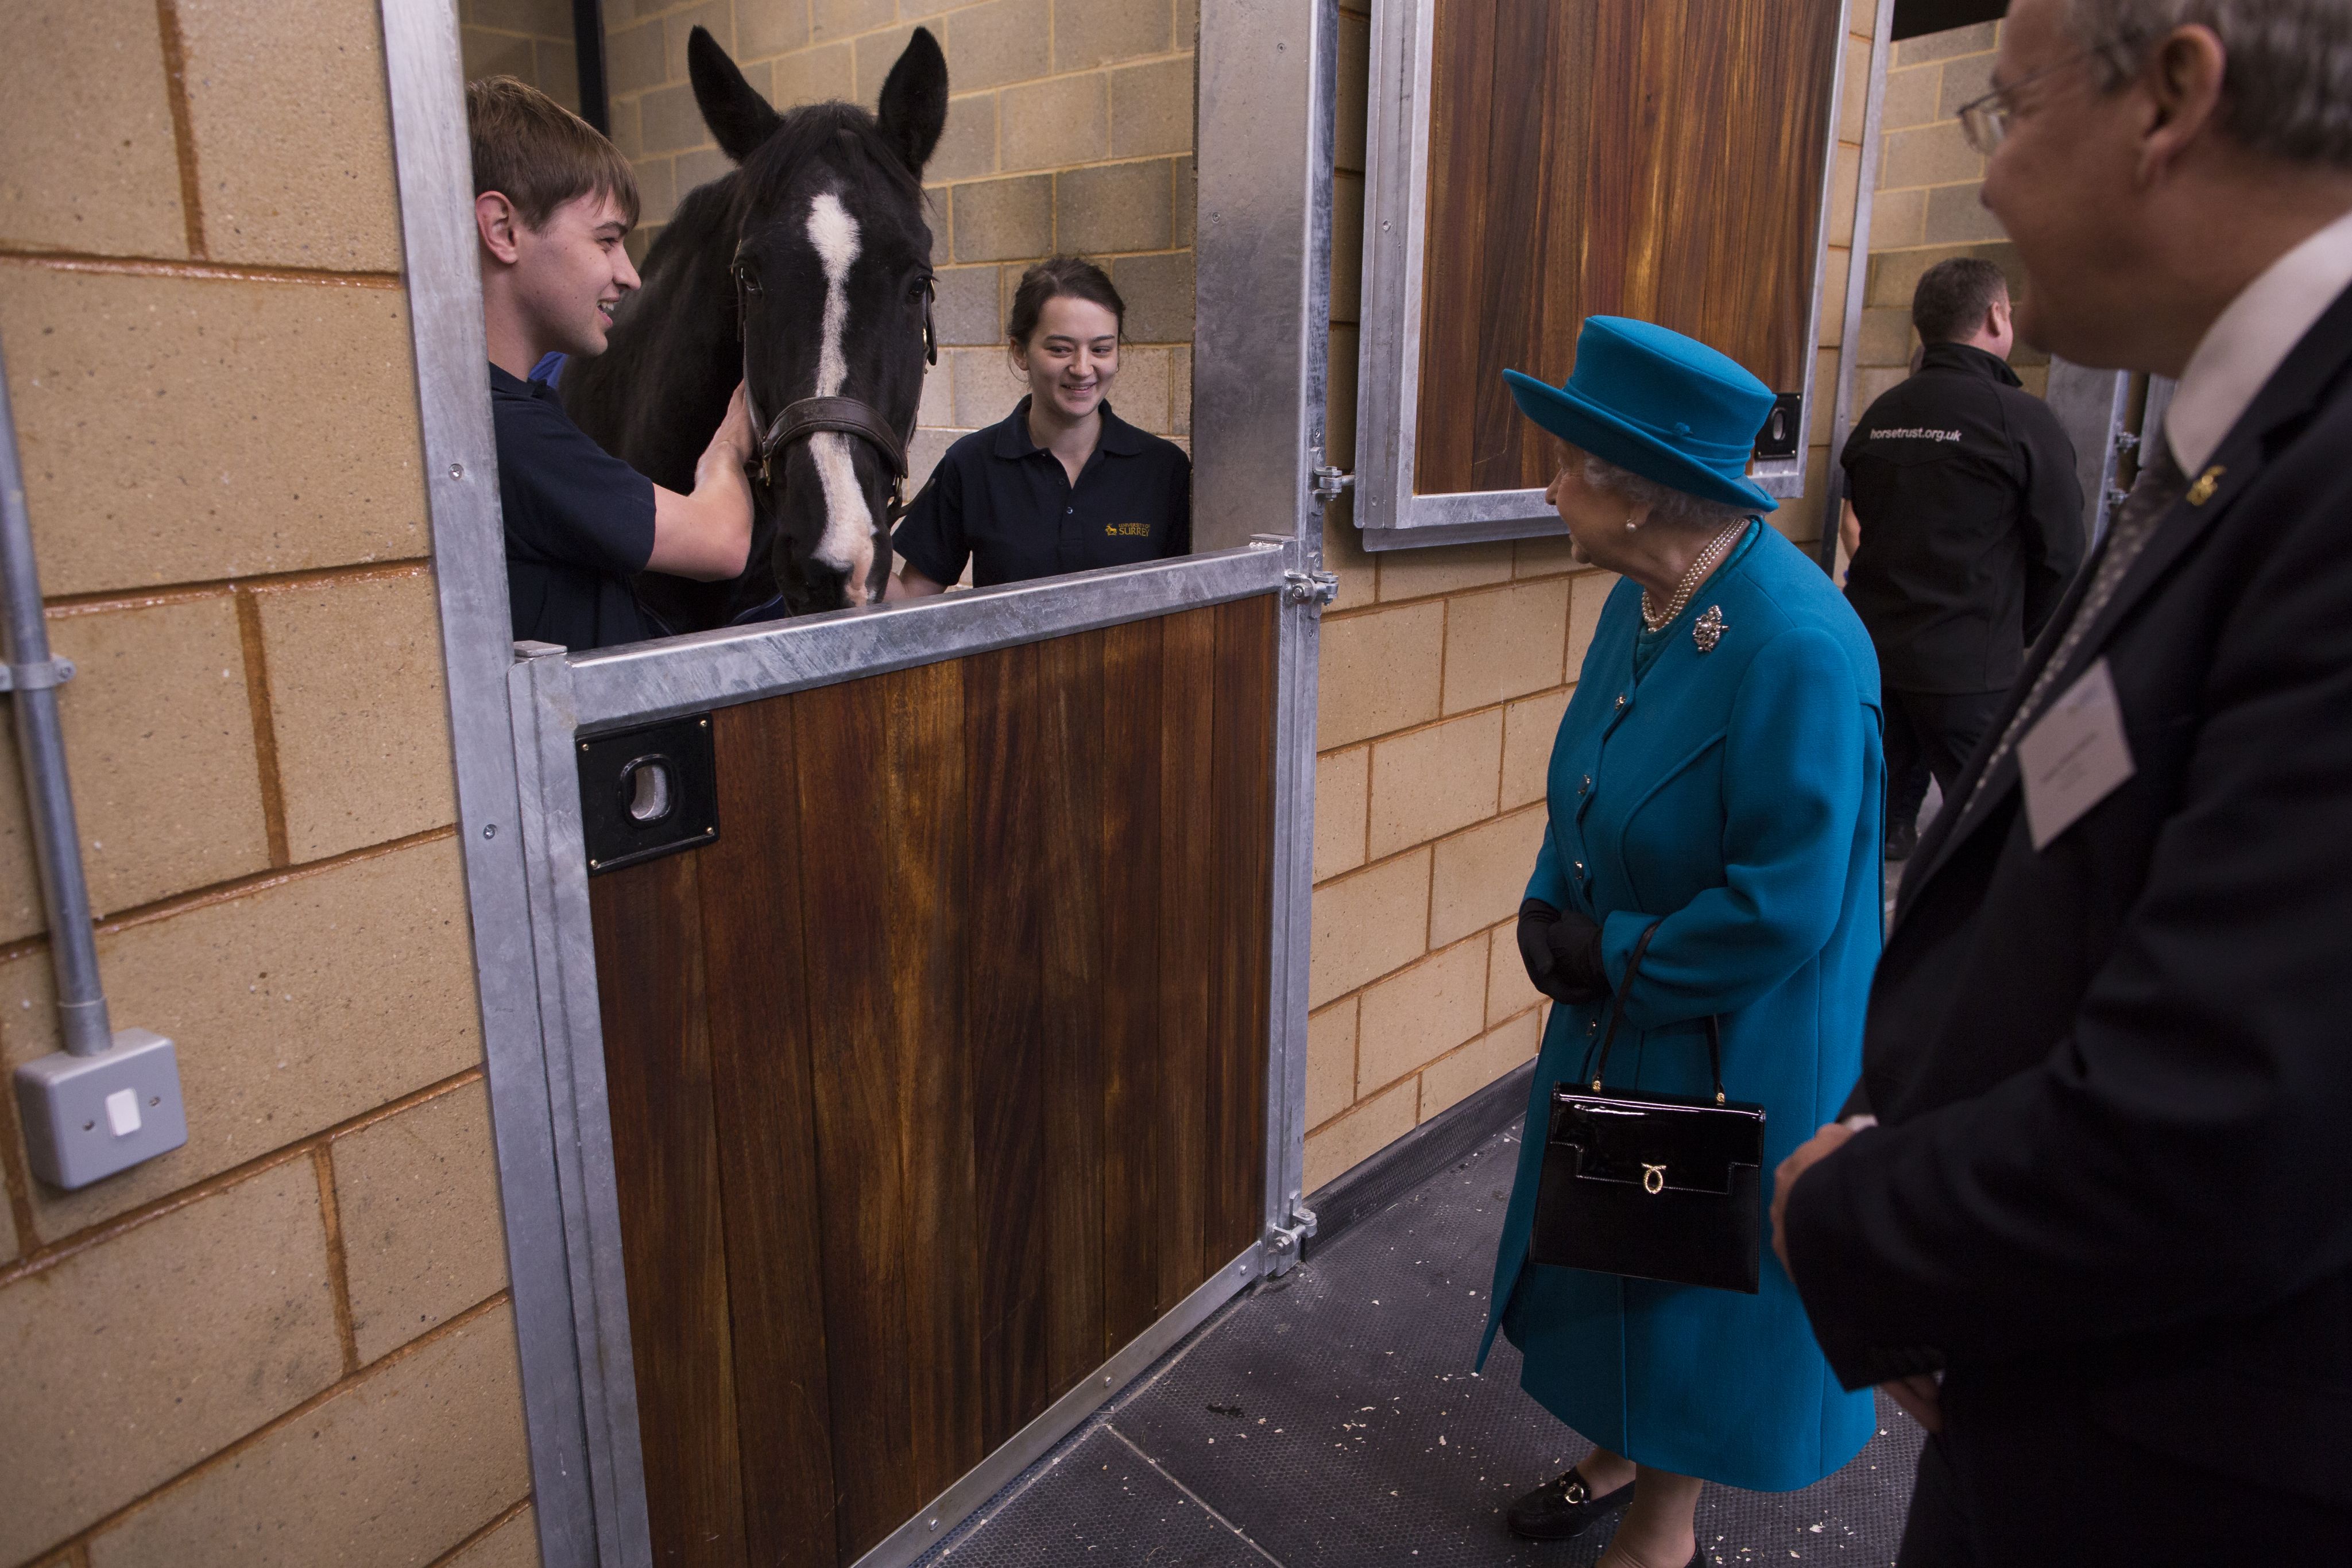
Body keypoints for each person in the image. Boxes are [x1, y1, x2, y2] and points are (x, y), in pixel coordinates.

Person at [1772, 1, 2352, 1562]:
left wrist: (1857, 1214)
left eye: (2004, 114)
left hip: (2183, 1471)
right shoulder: (2235, 451)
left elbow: (2227, 1118)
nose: (1990, 185)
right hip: (2065, 1371)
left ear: (2173, 96)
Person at [1484, 316, 1883, 1568]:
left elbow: (1786, 904)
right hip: (1628, 995)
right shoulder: (1652, 590)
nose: (1546, 487)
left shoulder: (1798, 644)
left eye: (1565, 465)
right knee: (1610, 1250)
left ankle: (1661, 1528)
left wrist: (1617, 953)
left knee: (1679, 1285)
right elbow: (1590, 775)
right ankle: (1617, 1451)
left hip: (1730, 1026)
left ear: (1636, 495)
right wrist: (1554, 904)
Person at [469, 76, 755, 649]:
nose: (628, 274)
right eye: (605, 241)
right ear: (503, 230)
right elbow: (722, 543)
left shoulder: (510, 411)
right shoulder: (508, 435)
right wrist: (731, 443)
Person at [1840, 257, 2084, 859]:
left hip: (1876, 657)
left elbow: (1863, 521)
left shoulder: (1882, 415)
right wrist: (2009, 635)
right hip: (1967, 672)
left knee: (1875, 838)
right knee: (2006, 839)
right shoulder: (2022, 418)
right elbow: (2063, 553)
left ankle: (1878, 944)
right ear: (1997, 314)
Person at [885, 257, 1190, 597]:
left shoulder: (1164, 469)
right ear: (1020, 352)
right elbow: (912, 602)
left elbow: (1191, 603)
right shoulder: (971, 464)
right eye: (1061, 349)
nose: (1083, 368)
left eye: (1101, 349)